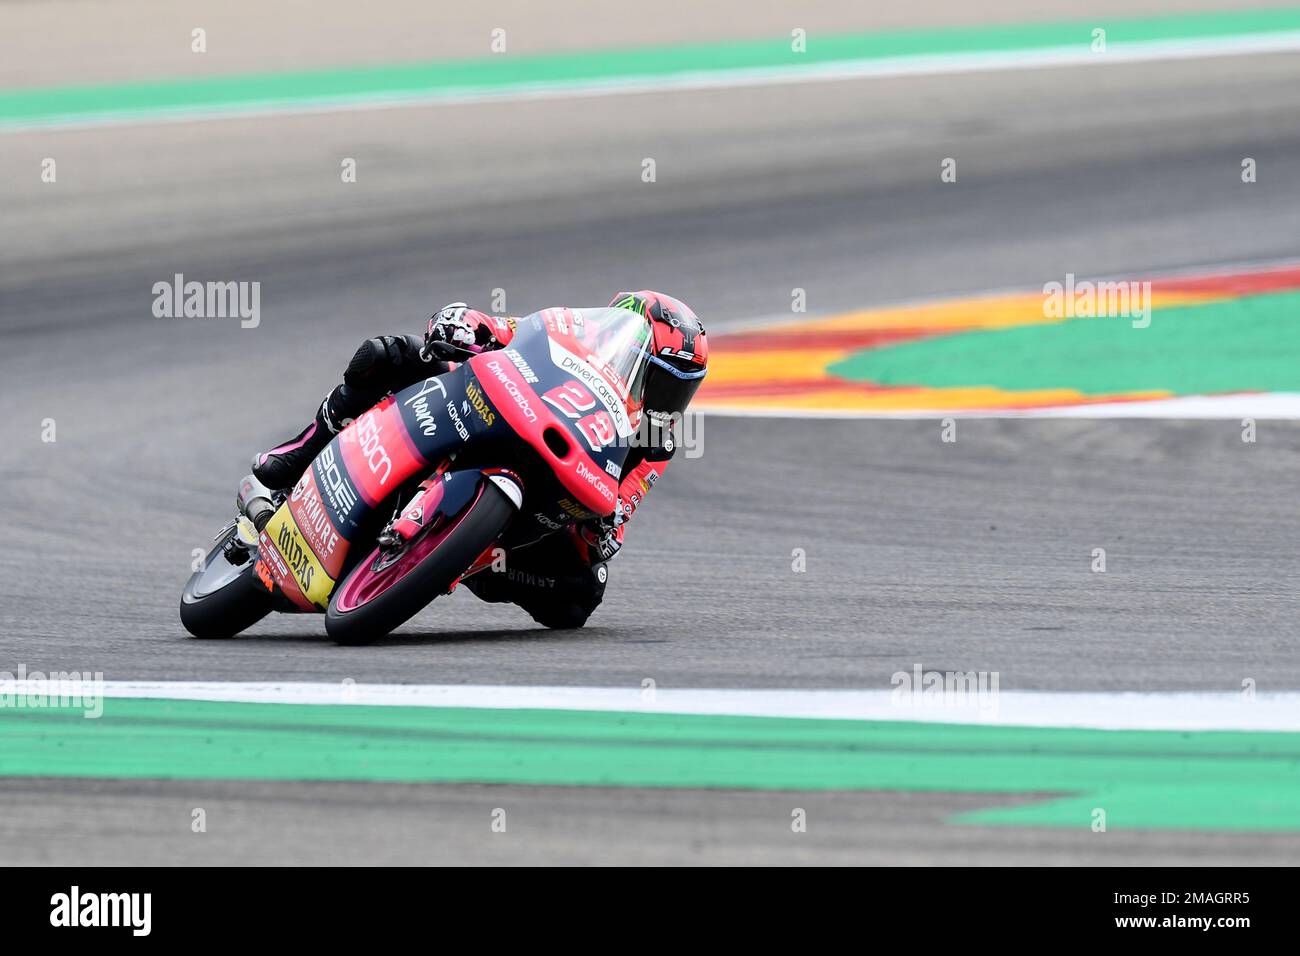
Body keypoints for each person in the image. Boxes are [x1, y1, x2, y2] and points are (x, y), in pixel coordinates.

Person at [252, 291, 708, 628]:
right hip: (489, 405)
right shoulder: (569, 328)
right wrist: (463, 324)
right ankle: (302, 450)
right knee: (392, 355)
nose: (668, 401)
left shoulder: (654, 443)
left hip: (540, 504)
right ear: (629, 347)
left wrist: (602, 533)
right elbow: (503, 328)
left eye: (680, 391)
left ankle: (466, 557)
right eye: (661, 382)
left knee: (579, 597)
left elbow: (620, 508)